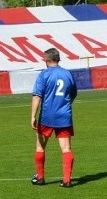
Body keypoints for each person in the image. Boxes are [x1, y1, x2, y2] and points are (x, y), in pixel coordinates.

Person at [30, 48, 78, 187]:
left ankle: (40, 177)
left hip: (47, 116)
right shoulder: (67, 74)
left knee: (40, 147)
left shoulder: (43, 75)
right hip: (64, 115)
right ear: (58, 59)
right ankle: (67, 180)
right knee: (66, 148)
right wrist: (64, 104)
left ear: (46, 60)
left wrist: (33, 116)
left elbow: (37, 96)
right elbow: (73, 93)